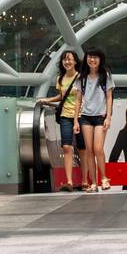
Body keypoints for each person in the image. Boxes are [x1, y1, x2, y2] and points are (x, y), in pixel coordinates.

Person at [37, 49, 82, 193]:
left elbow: (82, 98)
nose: (67, 62)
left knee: (83, 149)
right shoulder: (60, 79)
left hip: (81, 116)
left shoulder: (80, 77)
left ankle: (86, 180)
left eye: (69, 59)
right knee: (66, 147)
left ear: (75, 61)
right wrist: (46, 100)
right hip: (65, 116)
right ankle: (69, 181)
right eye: (64, 59)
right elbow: (62, 96)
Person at [76, 47, 114, 192]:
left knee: (98, 148)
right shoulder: (82, 77)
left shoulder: (105, 75)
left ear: (100, 60)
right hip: (85, 117)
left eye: (95, 57)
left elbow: (109, 97)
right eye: (90, 57)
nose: (92, 60)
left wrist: (108, 117)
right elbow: (78, 100)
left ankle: (104, 178)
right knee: (89, 150)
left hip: (100, 116)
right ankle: (94, 182)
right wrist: (75, 121)